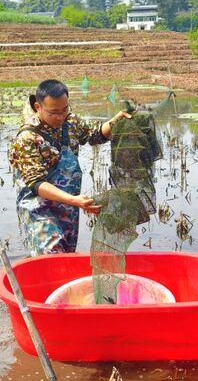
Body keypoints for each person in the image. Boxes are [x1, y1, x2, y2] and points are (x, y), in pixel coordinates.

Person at [8, 79, 130, 256]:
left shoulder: (70, 122)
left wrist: (115, 121)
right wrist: (75, 201)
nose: (60, 116)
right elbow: (37, 184)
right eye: (54, 112)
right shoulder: (27, 138)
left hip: (67, 209)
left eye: (64, 109)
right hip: (39, 209)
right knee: (52, 254)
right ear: (38, 107)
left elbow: (95, 134)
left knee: (67, 256)